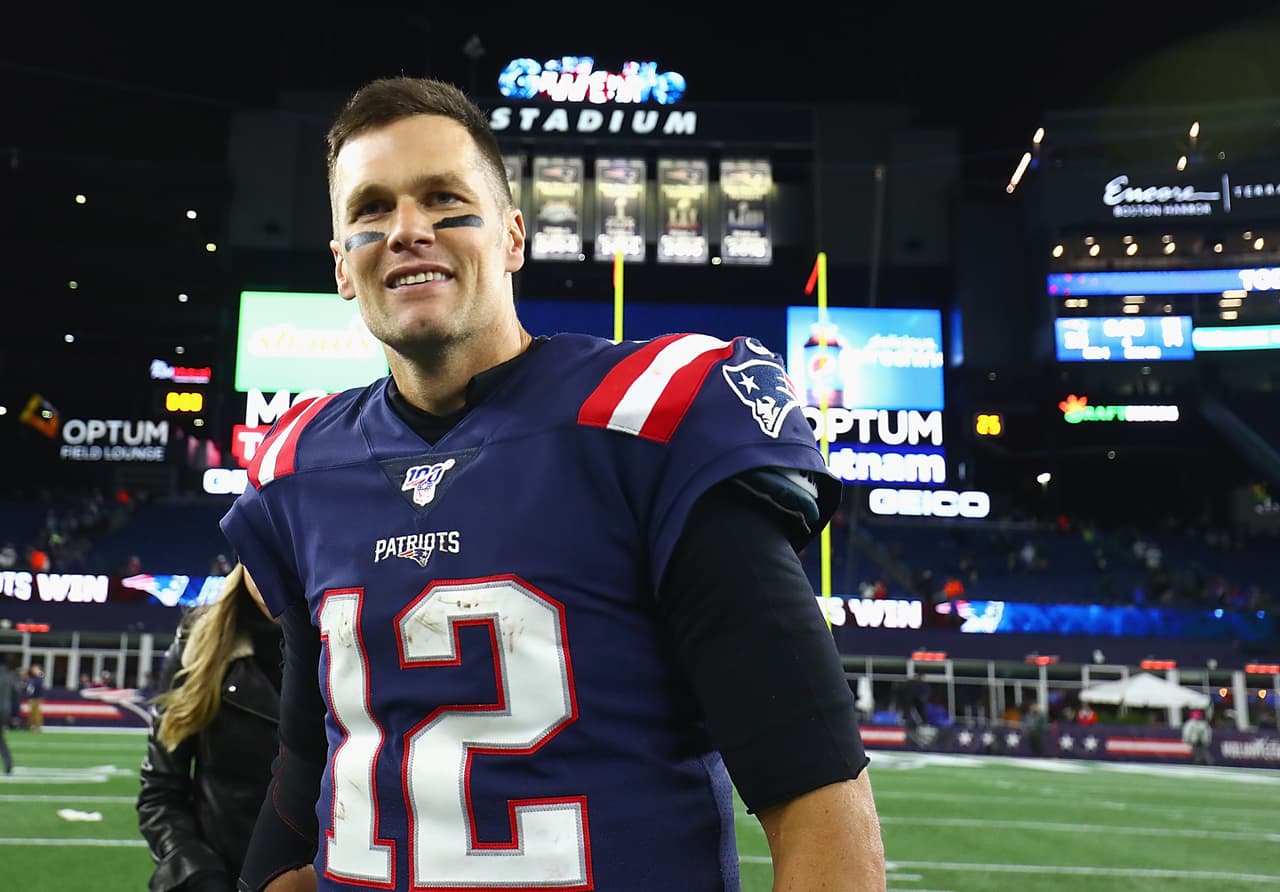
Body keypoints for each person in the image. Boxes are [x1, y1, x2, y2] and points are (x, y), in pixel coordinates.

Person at [220, 76, 885, 892]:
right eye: (371, 210)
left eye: (442, 198)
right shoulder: (301, 468)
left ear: (511, 236)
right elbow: (304, 773)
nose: (407, 230)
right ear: (342, 267)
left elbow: (818, 793)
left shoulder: (645, 423)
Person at [137, 563, 283, 891]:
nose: (271, 558)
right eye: (258, 543)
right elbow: (160, 792)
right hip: (226, 876)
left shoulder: (348, 648)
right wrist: (199, 874)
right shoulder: (197, 644)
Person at [0, 657, 17, 773]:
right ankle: (8, 762)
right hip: (4, 711)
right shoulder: (10, 676)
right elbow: (16, 693)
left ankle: (8, 762)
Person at [24, 664, 44, 731]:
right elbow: (29, 687)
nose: (34, 670)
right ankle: (31, 725)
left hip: (37, 697)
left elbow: (40, 681)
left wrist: (39, 672)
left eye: (35, 669)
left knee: (36, 713)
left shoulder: (39, 677)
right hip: (32, 697)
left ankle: (37, 726)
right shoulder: (32, 678)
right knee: (32, 712)